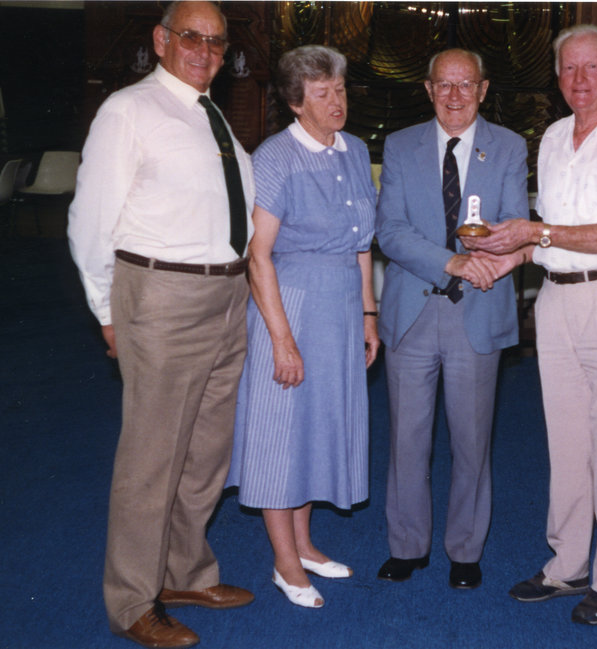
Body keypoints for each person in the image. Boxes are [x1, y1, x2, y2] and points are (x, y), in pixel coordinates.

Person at [462, 24, 597, 625]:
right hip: (556, 299)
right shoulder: (552, 138)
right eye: (569, 69)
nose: (580, 79)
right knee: (568, 441)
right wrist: (507, 255)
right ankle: (568, 564)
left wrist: (534, 232)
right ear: (557, 78)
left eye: (591, 67)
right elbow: (548, 236)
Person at [67, 2, 255, 647]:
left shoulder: (211, 114)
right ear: (161, 39)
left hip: (226, 297)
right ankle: (132, 600)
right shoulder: (129, 110)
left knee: (205, 455)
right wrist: (107, 311)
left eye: (217, 41)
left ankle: (183, 575)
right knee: (152, 459)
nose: (205, 50)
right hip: (163, 298)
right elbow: (89, 222)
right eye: (191, 37)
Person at [225, 45, 379, 609]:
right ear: (295, 102)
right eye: (321, 93)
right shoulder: (275, 157)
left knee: (317, 427)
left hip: (340, 308)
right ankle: (284, 562)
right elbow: (258, 255)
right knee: (280, 432)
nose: (336, 101)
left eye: (340, 89)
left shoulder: (355, 150)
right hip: (287, 306)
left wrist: (368, 313)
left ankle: (306, 544)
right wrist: (282, 341)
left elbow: (362, 244)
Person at [373, 48, 527, 590]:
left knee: (472, 439)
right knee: (407, 439)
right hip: (412, 311)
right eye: (444, 84)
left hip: (477, 310)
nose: (455, 95)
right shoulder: (400, 145)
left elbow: (516, 223)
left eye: (466, 85)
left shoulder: (509, 147)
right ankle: (406, 545)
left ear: (483, 90)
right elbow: (390, 231)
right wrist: (451, 262)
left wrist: (486, 253)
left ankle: (465, 549)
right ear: (428, 89)